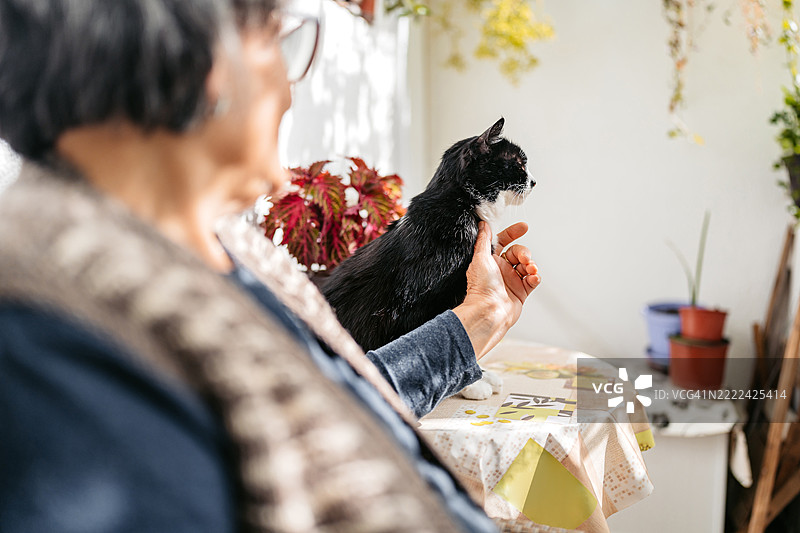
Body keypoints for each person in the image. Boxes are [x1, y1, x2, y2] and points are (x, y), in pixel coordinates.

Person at [0, 0, 541, 532]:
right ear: (200, 57)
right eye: (277, 39)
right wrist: (460, 336)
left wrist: (469, 327)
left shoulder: (230, 256)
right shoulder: (43, 343)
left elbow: (331, 410)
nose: (288, 88)